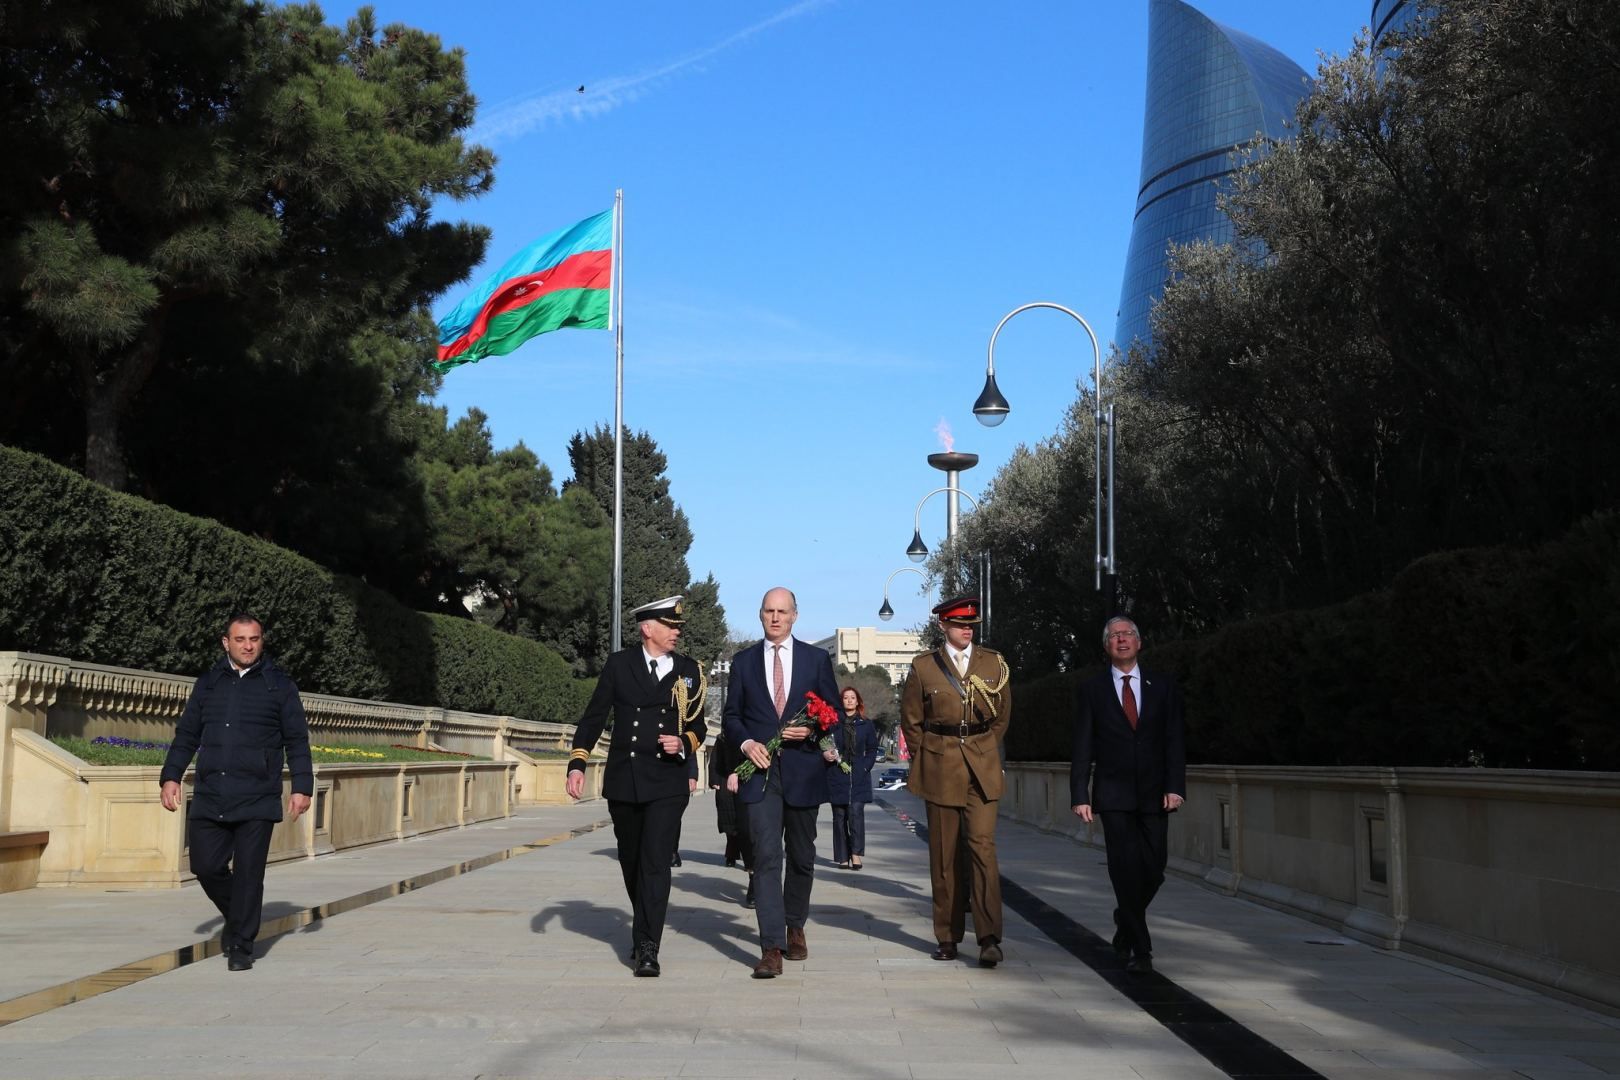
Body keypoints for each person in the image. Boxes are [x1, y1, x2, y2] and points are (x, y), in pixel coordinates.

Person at [159, 613, 313, 972]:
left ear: (262, 641)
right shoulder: (208, 684)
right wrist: (171, 777)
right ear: (225, 642)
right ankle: (239, 914)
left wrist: (301, 787)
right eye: (240, 639)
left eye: (254, 639)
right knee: (205, 866)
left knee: (248, 874)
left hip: (257, 795)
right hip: (212, 792)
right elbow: (187, 735)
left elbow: (296, 740)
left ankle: (241, 945)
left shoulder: (279, 685)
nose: (248, 646)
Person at [565, 595, 707, 977]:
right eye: (670, 626)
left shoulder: (690, 670)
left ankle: (648, 945)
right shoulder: (620, 665)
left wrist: (684, 743)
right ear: (648, 629)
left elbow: (699, 727)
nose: (677, 632)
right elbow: (594, 717)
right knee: (631, 862)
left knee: (656, 863)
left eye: (677, 627)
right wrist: (577, 763)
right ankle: (643, 922)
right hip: (625, 781)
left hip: (667, 781)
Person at [722, 586, 841, 979]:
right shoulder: (742, 662)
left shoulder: (816, 659)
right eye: (769, 611)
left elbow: (833, 714)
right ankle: (770, 946)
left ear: (794, 616)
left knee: (802, 857)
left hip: (804, 773)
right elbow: (732, 717)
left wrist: (806, 731)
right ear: (760, 615)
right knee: (767, 857)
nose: (775, 617)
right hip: (760, 775)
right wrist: (747, 742)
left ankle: (795, 926)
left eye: (782, 611)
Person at [899, 596, 1012, 968]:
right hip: (941, 766)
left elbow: (1001, 718)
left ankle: (989, 937)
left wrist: (983, 750)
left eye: (971, 625)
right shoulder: (923, 667)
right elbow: (912, 721)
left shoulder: (993, 663)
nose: (968, 629)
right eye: (960, 624)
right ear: (942, 626)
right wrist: (928, 757)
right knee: (944, 855)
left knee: (983, 849)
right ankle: (947, 935)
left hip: (981, 768)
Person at [1070, 616, 1186, 974]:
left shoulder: (1163, 686)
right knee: (1123, 867)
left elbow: (1174, 741)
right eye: (1114, 636)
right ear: (1106, 646)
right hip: (1113, 794)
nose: (1121, 640)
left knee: (1155, 867)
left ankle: (1124, 922)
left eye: (1128, 634)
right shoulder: (1093, 689)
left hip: (1155, 794)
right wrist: (1080, 794)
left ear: (1139, 642)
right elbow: (1082, 745)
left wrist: (1175, 786)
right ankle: (1142, 946)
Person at [828, 686, 881, 870]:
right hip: (837, 774)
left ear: (858, 701)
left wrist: (866, 766)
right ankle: (842, 856)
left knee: (856, 815)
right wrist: (827, 755)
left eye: (852, 698)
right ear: (841, 701)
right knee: (839, 816)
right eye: (845, 698)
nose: (849, 700)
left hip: (859, 775)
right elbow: (824, 743)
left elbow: (873, 749)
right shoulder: (833, 722)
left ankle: (856, 854)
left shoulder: (866, 724)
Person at [709, 730, 756, 907]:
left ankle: (762, 880)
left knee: (762, 833)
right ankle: (753, 874)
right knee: (743, 829)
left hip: (768, 778)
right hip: (736, 781)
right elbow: (716, 761)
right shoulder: (724, 737)